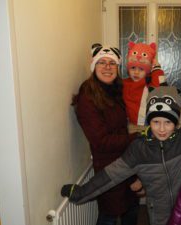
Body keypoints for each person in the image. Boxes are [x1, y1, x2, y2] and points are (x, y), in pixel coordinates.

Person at [62, 73, 181, 225]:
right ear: (149, 122)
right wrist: (79, 193)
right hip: (158, 216)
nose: (161, 129)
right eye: (156, 122)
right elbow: (110, 175)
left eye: (168, 122)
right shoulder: (139, 149)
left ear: (176, 122)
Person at [71, 43, 139, 225]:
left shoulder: (115, 90)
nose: (107, 67)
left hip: (126, 161)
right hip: (109, 169)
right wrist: (136, 138)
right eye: (102, 62)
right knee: (109, 216)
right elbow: (100, 141)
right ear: (94, 66)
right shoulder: (88, 96)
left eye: (112, 63)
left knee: (131, 210)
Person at [123, 41, 166, 134]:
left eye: (141, 69)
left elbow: (161, 86)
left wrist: (157, 68)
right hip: (130, 125)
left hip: (148, 125)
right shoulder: (124, 83)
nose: (136, 72)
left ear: (147, 71)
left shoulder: (149, 82)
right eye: (133, 68)